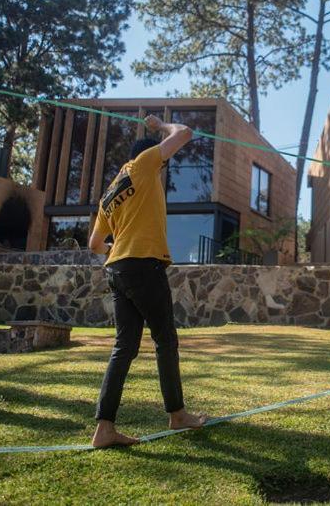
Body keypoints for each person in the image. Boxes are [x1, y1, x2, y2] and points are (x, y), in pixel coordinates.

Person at [88, 113, 208, 448]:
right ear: (151, 155)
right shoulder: (142, 165)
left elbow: (95, 245)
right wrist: (162, 128)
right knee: (165, 340)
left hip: (118, 270)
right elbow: (185, 133)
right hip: (143, 265)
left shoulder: (110, 192)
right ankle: (177, 414)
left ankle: (105, 428)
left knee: (124, 348)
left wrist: (120, 246)